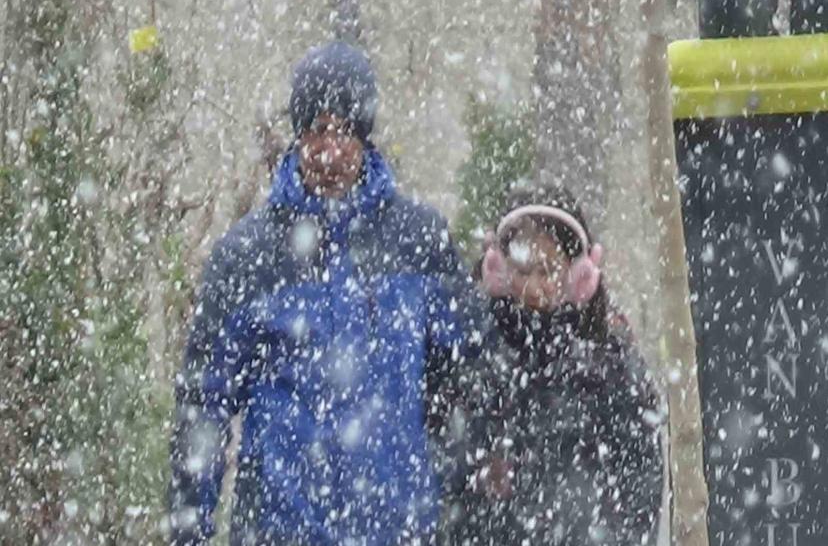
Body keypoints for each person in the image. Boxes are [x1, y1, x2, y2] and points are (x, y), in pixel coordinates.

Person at [168, 41, 485, 546]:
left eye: (345, 131)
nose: (330, 150)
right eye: (317, 130)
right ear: (297, 136)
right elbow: (202, 407)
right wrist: (190, 530)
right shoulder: (247, 256)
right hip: (277, 532)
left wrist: (459, 507)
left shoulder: (420, 241)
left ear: (365, 137)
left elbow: (468, 381)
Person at [455, 184, 664, 545]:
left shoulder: (610, 363)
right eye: (522, 270)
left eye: (547, 270)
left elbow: (641, 478)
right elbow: (452, 466)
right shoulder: (476, 354)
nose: (533, 288)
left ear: (578, 274)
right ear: (499, 271)